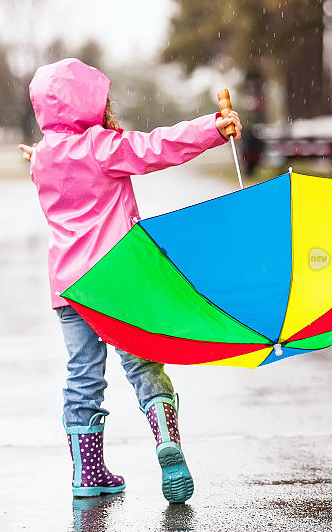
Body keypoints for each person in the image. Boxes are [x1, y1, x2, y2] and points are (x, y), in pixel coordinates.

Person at [19, 57, 242, 504]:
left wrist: (42, 152)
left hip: (69, 285)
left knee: (82, 376)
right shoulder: (103, 147)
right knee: (142, 364)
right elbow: (157, 147)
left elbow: (56, 160)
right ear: (92, 105)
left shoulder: (42, 158)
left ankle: (88, 473)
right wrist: (212, 128)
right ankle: (166, 440)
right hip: (118, 279)